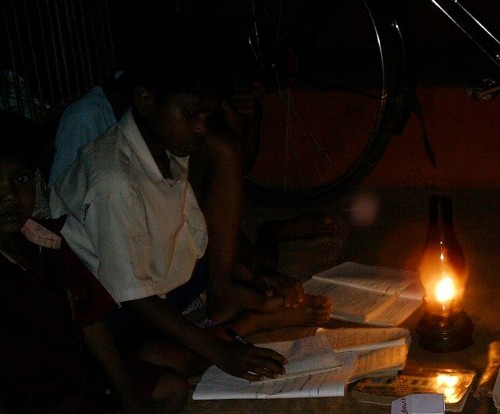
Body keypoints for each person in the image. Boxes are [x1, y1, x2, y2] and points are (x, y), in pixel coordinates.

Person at [50, 20, 333, 380]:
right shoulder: (112, 181)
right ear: (146, 100)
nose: (201, 126)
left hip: (166, 278)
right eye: (192, 114)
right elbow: (134, 296)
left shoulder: (170, 144)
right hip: (115, 306)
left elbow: (198, 228)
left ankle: (244, 283)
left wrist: (239, 274)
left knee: (250, 273)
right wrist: (219, 352)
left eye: (207, 115)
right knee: (164, 359)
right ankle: (251, 323)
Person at [0, 111, 188, 413]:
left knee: (172, 388)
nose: (9, 196)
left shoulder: (46, 240)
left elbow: (90, 320)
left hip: (78, 377)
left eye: (19, 179)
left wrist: (125, 390)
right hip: (32, 399)